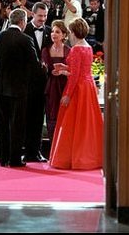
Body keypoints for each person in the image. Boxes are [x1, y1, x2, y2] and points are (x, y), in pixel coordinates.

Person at [0, 8, 44, 168]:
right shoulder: (25, 39)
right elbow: (35, 66)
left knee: (1, 124)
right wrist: (44, 69)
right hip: (18, 89)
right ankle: (14, 159)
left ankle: (3, 158)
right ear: (22, 22)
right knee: (17, 124)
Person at [49, 17, 103, 170]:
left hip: (78, 88)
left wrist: (67, 94)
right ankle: (89, 156)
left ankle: (73, 158)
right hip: (88, 87)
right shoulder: (88, 47)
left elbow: (75, 75)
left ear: (73, 32)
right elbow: (80, 70)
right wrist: (64, 67)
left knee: (73, 124)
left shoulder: (76, 49)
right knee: (87, 124)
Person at [23, 2, 52, 162]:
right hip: (26, 83)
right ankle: (26, 151)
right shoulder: (24, 30)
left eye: (45, 15)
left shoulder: (49, 32)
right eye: (40, 16)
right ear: (32, 14)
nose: (43, 19)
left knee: (39, 119)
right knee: (26, 117)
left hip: (44, 83)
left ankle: (36, 151)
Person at [41, 20, 71, 143]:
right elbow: (44, 69)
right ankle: (53, 145)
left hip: (64, 86)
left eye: (57, 32)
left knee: (65, 116)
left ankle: (64, 146)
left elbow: (72, 70)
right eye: (53, 31)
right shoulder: (45, 50)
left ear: (64, 35)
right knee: (51, 116)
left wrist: (63, 71)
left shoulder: (69, 50)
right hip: (50, 87)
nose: (54, 34)